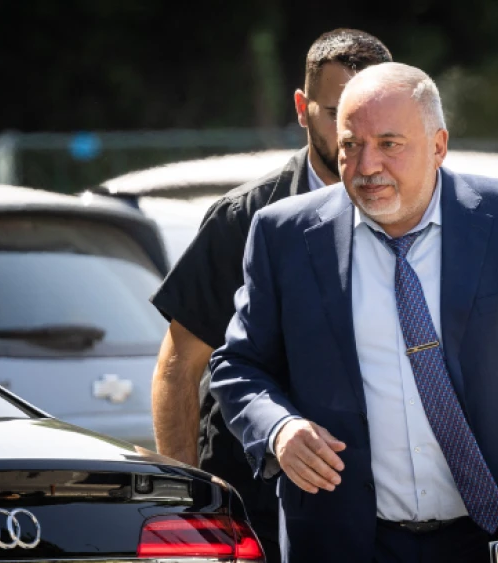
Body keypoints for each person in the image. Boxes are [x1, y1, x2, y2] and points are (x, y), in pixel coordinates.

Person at [209, 62, 498, 563]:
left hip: (491, 537)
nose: (366, 166)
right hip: (341, 541)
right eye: (350, 145)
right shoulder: (284, 236)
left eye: (389, 143)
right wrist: (278, 429)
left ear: (438, 146)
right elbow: (237, 365)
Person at [148, 29, 392, 562]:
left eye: (371, 115)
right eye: (336, 112)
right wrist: (192, 510)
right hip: (253, 510)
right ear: (302, 109)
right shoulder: (245, 218)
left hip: (384, 514)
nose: (354, 132)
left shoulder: (410, 212)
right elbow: (178, 368)